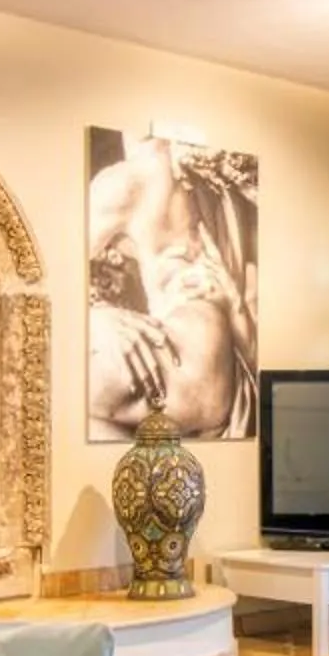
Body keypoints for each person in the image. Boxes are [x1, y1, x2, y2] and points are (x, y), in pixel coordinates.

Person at [85, 133, 257, 437]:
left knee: (55, 386)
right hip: (218, 360)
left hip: (185, 358)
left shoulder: (129, 179)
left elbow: (46, 276)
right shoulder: (211, 163)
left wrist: (95, 317)